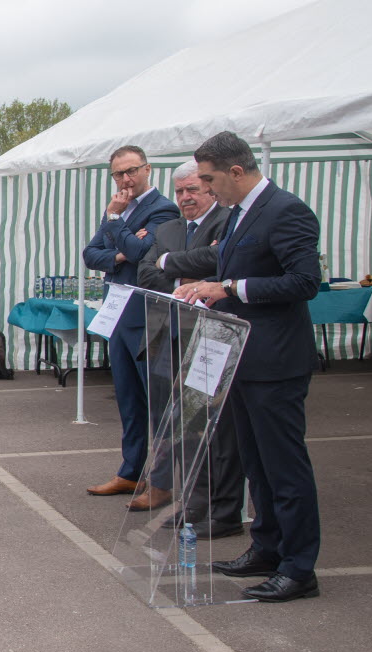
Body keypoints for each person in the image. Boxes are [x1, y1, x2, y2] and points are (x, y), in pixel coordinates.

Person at [175, 131, 323, 603]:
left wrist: (230, 288)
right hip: (240, 356)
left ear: (237, 171)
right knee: (256, 465)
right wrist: (203, 284)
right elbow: (230, 262)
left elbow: (304, 282)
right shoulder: (238, 214)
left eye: (210, 179)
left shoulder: (287, 210)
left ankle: (299, 568)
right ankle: (267, 546)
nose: (207, 189)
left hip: (276, 361)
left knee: (284, 468)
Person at [136, 161, 243, 535]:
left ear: (210, 189)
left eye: (192, 190)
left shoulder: (228, 221)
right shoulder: (168, 228)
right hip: (170, 334)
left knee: (215, 425)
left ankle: (220, 505)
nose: (185, 198)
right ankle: (193, 499)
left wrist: (170, 264)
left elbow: (219, 263)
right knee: (183, 425)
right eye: (179, 191)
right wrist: (184, 279)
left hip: (213, 336)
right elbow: (145, 271)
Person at [81, 146, 179, 500]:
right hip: (116, 309)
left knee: (156, 399)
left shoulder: (162, 208)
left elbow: (143, 255)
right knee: (127, 397)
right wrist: (121, 245)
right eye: (119, 174)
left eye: (131, 171)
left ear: (147, 169)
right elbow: (90, 254)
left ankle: (162, 480)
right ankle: (130, 470)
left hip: (145, 313)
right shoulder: (117, 211)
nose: (125, 179)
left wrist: (117, 227)